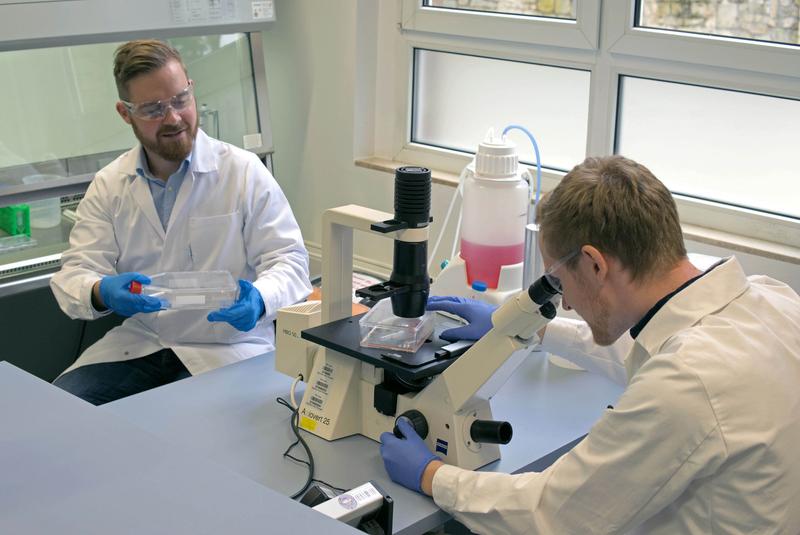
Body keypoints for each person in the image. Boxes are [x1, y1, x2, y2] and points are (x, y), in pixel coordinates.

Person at [380, 155, 800, 533]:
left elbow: (553, 514)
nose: (562, 301)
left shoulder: (685, 385)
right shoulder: (770, 299)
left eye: (558, 281)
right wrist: (532, 328)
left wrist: (432, 475)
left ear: (596, 264)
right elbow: (653, 351)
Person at [50, 40, 311, 405]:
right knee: (61, 413)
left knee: (204, 435)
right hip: (143, 342)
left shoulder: (242, 171)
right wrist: (100, 290)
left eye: (179, 100)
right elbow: (75, 272)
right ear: (125, 114)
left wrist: (261, 297)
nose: (173, 117)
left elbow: (291, 261)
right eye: (153, 109)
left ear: (191, 89)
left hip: (227, 347)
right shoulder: (111, 184)